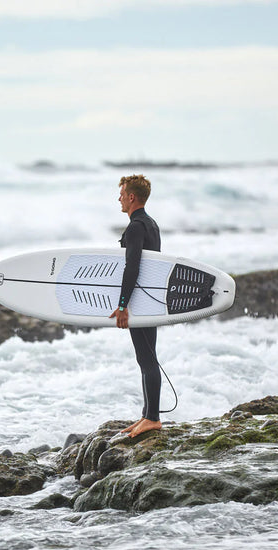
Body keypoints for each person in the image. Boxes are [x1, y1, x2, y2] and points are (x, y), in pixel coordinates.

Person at [108, 174, 163, 438]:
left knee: (147, 359)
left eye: (121, 194)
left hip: (140, 302)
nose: (118, 198)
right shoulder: (151, 224)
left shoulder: (135, 228)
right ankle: (147, 414)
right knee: (146, 357)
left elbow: (132, 268)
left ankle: (153, 418)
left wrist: (123, 305)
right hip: (149, 299)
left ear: (131, 197)